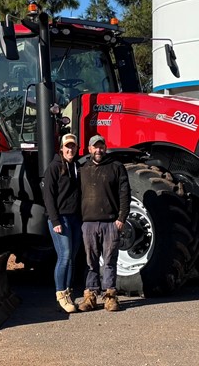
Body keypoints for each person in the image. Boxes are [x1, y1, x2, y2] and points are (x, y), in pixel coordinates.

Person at [78, 134, 131, 312]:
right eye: (95, 147)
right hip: (88, 223)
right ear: (89, 149)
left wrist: (121, 218)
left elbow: (125, 193)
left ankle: (110, 296)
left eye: (101, 146)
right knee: (90, 261)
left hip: (110, 223)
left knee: (109, 260)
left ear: (105, 148)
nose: (98, 150)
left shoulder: (116, 167)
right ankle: (90, 296)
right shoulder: (83, 169)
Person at [43, 133, 82, 313]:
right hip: (61, 219)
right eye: (67, 146)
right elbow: (48, 196)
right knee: (64, 256)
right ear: (61, 148)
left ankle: (68, 291)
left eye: (73, 146)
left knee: (72, 257)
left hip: (74, 218)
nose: (70, 149)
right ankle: (60, 294)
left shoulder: (76, 166)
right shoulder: (54, 167)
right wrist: (55, 220)